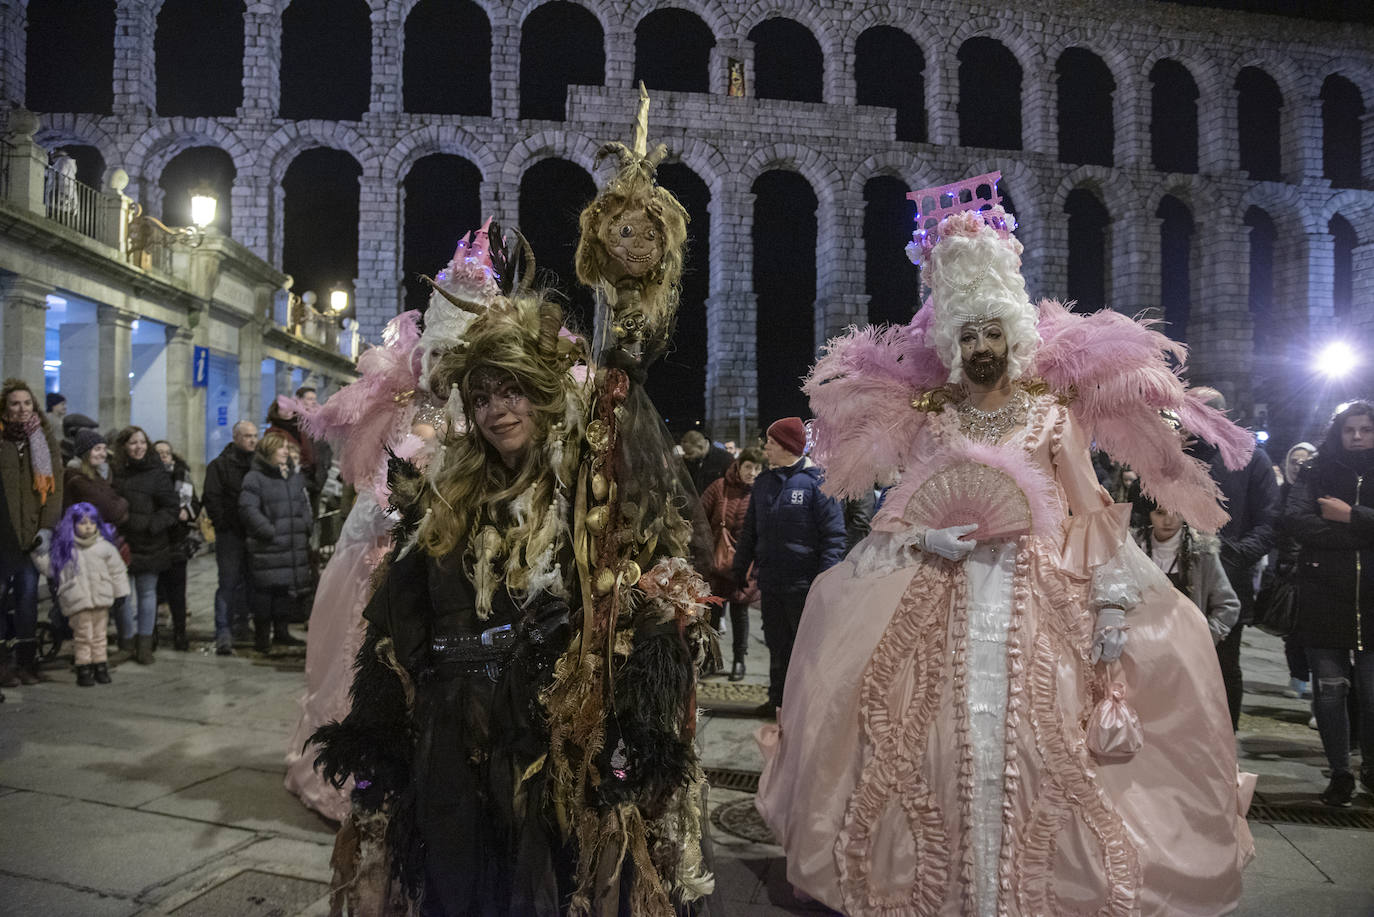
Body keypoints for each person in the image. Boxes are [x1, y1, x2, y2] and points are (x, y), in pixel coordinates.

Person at [754, 174, 1253, 915]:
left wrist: (1114, 606)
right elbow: (895, 515)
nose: (982, 346)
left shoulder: (1052, 415)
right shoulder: (933, 417)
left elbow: (1089, 510)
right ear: (951, 343)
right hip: (940, 593)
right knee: (930, 746)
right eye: (968, 334)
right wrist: (930, 532)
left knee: (1040, 746)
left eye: (992, 331)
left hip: (1042, 593)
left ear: (1013, 334)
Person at [1280, 401, 1374, 807]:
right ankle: (1340, 772)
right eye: (1350, 429)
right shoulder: (1316, 471)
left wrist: (1351, 516)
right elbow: (1297, 519)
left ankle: (1370, 769)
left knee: (1371, 693)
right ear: (1338, 431)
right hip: (1324, 595)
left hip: (1371, 599)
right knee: (1331, 692)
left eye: (1365, 429)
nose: (1357, 436)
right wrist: (1362, 534)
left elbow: (1332, 520)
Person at [731, 416, 847, 716]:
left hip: (804, 586)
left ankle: (805, 707)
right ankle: (777, 700)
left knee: (805, 648)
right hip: (771, 582)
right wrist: (739, 567)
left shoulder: (818, 482)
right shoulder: (764, 483)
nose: (765, 448)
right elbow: (750, 532)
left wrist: (825, 579)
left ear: (786, 446)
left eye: (770, 442)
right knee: (776, 644)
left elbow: (834, 537)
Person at [1187, 387, 1281, 731]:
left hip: (1228, 578)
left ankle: (1226, 743)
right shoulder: (1173, 454)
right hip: (1176, 577)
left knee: (1225, 663)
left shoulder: (1251, 458)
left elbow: (1269, 522)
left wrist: (1233, 555)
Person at [0, 378, 62, 686]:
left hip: (31, 537)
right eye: (15, 403)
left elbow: (55, 489)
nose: (22, 409)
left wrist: (47, 527)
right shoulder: (1, 439)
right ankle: (2, 665)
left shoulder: (44, 438)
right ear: (5, 408)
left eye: (27, 403)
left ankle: (26, 663)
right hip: (2, 535)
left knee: (26, 600)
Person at [33, 502, 127, 686]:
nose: (88, 527)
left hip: (101, 599)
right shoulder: (67, 549)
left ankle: (100, 665)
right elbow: (52, 569)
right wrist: (38, 554)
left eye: (92, 522)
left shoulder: (104, 547)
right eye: (83, 523)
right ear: (73, 524)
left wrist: (120, 593)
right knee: (83, 636)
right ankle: (83, 667)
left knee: (100, 635)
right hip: (78, 600)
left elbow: (117, 570)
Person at [238, 431, 312, 654]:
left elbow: (304, 504)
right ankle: (262, 638)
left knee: (283, 593)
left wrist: (305, 525)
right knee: (264, 594)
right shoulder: (255, 478)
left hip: (290, 544)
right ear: (269, 450)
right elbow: (248, 509)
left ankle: (282, 632)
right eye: (281, 448)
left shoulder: (293, 476)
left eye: (287, 448)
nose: (286, 452)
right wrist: (269, 531)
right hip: (268, 547)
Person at [1134, 494, 1240, 647]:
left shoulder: (1202, 552)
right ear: (1148, 514)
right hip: (1139, 644)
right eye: (1160, 513)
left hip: (1185, 647)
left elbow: (1228, 604)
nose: (1168, 521)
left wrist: (1205, 637)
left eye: (1176, 512)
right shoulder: (1133, 546)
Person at [111, 425, 178, 665]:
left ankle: (145, 644)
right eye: (132, 443)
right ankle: (126, 642)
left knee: (147, 593)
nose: (138, 447)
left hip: (151, 542)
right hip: (123, 543)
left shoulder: (156, 472)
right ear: (124, 447)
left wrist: (152, 525)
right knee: (122, 596)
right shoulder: (116, 471)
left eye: (141, 442)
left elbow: (171, 506)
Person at [700, 447, 764, 681]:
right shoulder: (720, 487)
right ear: (739, 465)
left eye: (758, 468)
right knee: (714, 613)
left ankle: (739, 660)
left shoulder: (760, 492)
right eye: (749, 467)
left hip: (745, 564)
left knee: (740, 613)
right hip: (716, 563)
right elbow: (700, 515)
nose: (753, 473)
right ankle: (711, 659)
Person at [203, 421, 258, 655]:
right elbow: (212, 498)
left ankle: (243, 624)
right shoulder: (220, 465)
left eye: (255, 435)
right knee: (227, 582)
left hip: (252, 534)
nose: (253, 440)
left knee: (249, 581)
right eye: (247, 436)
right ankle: (223, 631)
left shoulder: (258, 464)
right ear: (236, 437)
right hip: (230, 535)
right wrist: (225, 524)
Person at [1277, 441, 1317, 699]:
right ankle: (1298, 677)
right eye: (1295, 460)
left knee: (1315, 630)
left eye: (1305, 461)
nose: (1299, 465)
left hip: (1315, 569)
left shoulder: (1319, 490)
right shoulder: (1280, 492)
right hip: (1286, 569)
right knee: (1291, 628)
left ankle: (1317, 685)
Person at [154, 440, 201, 651]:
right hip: (155, 540)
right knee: (153, 591)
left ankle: (180, 633)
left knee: (178, 591)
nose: (164, 456)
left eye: (167, 452)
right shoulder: (149, 477)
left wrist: (188, 511)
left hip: (177, 541)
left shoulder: (183, 475)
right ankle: (151, 633)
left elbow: (195, 503)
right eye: (159, 453)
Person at [680, 429, 732, 496]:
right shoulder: (689, 460)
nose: (687, 456)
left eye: (690, 453)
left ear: (700, 447)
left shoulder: (725, 458)